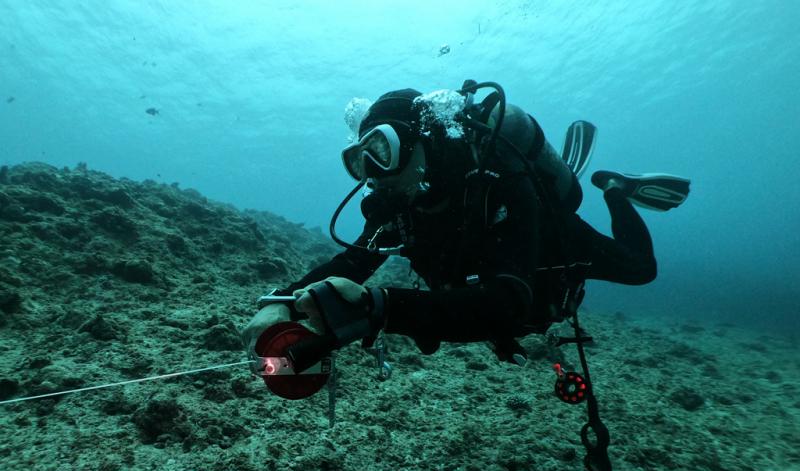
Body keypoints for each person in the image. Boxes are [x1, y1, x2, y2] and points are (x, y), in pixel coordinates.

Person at [241, 82, 690, 371]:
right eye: (360, 161)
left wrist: (380, 307)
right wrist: (283, 303)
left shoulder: (500, 182)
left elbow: (509, 301)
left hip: (545, 244)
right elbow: (353, 262)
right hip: (491, 284)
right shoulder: (399, 207)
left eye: (382, 151)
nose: (373, 174)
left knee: (641, 269)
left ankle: (614, 189)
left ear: (422, 143)